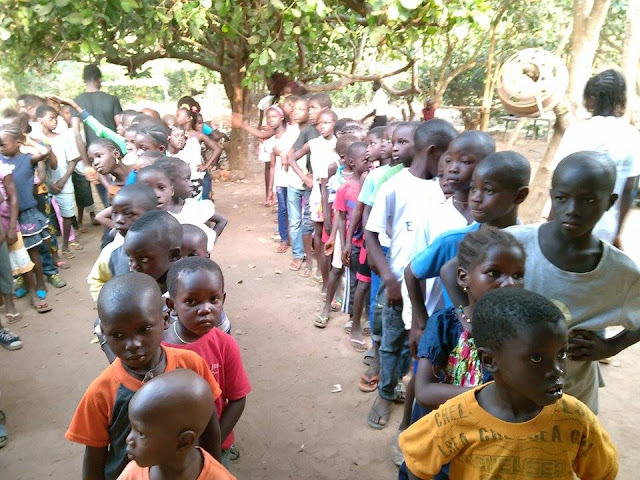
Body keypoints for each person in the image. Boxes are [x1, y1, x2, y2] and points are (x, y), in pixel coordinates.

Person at [400, 287, 619, 480]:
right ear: (489, 360)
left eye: (561, 353)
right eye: (536, 358)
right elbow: (416, 462)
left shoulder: (576, 419)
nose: (557, 370)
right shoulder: (456, 417)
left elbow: (601, 473)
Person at [66, 272, 222, 480]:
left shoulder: (191, 366)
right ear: (104, 333)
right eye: (118, 335)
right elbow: (94, 456)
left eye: (144, 329)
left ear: (165, 320)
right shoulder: (102, 391)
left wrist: (213, 467)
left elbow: (210, 424)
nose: (133, 344)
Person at [401, 228, 526, 479]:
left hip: (480, 453)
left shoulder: (518, 335)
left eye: (517, 275)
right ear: (463, 277)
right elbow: (424, 391)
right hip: (434, 442)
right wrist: (490, 396)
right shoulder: (445, 325)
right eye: (495, 273)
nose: (510, 284)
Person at [364, 120, 457, 430]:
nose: (451, 166)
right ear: (432, 151)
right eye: (448, 157)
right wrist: (389, 279)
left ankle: (403, 386)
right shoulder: (394, 186)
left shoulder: (445, 188)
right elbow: (372, 233)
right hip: (400, 284)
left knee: (417, 346)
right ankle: (385, 393)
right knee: (392, 343)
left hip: (434, 289)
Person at [405, 151, 531, 357]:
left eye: (488, 190)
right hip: (454, 347)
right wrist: (421, 324)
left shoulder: (528, 243)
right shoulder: (453, 240)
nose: (476, 198)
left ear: (519, 196)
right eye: (473, 188)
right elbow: (412, 272)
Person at [163, 257, 251, 467]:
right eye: (192, 302)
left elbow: (238, 399)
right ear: (172, 305)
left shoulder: (225, 344)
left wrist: (214, 444)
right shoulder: (159, 349)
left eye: (213, 299)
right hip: (166, 451)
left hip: (215, 448)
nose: (205, 309)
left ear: (223, 299)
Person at [553, 69, 640, 247]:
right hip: (605, 228)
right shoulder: (631, 135)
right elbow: (628, 189)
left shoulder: (577, 131)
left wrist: (551, 222)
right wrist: (617, 232)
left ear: (591, 98)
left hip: (568, 222)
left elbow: (559, 182)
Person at [117, 369, 236, 480]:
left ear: (183, 442)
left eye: (141, 433)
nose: (129, 439)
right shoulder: (132, 474)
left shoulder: (219, 477)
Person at [0, 122, 63, 301]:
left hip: (27, 211)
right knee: (16, 251)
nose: (1, 148)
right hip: (8, 214)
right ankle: (24, 281)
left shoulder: (27, 158)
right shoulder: (1, 161)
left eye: (3, 144)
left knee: (35, 249)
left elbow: (45, 152)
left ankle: (41, 282)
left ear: (18, 142)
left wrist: (29, 141)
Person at [289, 109, 339, 282]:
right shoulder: (313, 143)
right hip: (317, 191)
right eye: (319, 123)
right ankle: (313, 264)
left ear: (334, 123)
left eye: (326, 123)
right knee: (314, 228)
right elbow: (292, 158)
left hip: (334, 191)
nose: (322, 126)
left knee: (330, 229)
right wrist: (304, 177)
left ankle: (327, 267)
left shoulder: (339, 144)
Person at [285, 94, 332, 273]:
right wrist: (305, 177)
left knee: (327, 224)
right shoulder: (309, 134)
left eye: (313, 108)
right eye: (309, 108)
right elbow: (292, 156)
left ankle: (324, 264)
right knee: (308, 223)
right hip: (313, 188)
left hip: (330, 189)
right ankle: (307, 260)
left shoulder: (336, 135)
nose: (311, 112)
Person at [87, 183, 158, 300]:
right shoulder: (112, 252)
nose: (119, 220)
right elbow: (96, 280)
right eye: (115, 213)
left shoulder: (166, 247)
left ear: (152, 214)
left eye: (128, 214)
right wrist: (110, 302)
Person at [72, 64, 123, 208]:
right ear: (98, 79)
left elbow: (77, 134)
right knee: (122, 193)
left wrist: (87, 165)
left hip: (95, 158)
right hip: (115, 155)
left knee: (107, 199)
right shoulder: (111, 99)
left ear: (84, 79)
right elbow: (120, 127)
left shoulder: (77, 102)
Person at [153, 158, 227, 251]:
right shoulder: (157, 215)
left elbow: (222, 220)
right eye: (186, 179)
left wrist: (209, 242)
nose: (191, 184)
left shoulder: (193, 207)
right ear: (170, 184)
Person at [36, 105, 80, 258]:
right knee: (47, 218)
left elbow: (73, 160)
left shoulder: (62, 138)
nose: (54, 121)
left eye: (56, 118)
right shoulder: (35, 141)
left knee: (67, 214)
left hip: (64, 183)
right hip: (45, 185)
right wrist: (50, 183)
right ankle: (51, 251)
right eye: (51, 118)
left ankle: (65, 245)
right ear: (40, 120)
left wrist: (63, 180)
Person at [124, 210, 183, 294]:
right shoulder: (136, 288)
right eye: (130, 257)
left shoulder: (186, 291)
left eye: (143, 259)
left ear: (173, 255)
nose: (133, 266)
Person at [174, 102, 222, 200]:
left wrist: (206, 165)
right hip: (183, 178)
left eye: (178, 115)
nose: (175, 117)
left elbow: (217, 149)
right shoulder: (174, 136)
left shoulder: (198, 135)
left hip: (198, 176)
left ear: (188, 119)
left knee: (202, 203)